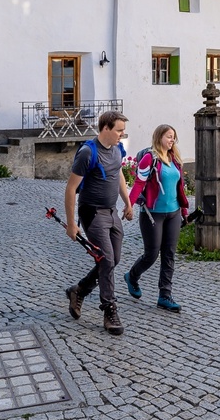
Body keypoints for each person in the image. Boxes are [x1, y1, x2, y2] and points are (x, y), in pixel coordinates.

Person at [64, 110, 134, 335]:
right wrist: (71, 224)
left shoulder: (117, 150)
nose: (122, 135)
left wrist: (128, 202)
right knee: (106, 259)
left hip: (112, 212)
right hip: (92, 213)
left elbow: (119, 174)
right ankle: (109, 310)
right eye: (119, 130)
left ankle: (80, 290)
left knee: (114, 259)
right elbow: (71, 188)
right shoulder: (87, 153)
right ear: (106, 128)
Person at [123, 124, 189, 312]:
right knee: (151, 255)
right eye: (169, 137)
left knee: (169, 255)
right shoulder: (149, 159)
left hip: (173, 213)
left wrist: (184, 211)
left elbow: (180, 188)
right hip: (152, 214)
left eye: (173, 137)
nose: (172, 141)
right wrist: (129, 205)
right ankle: (132, 276)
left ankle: (165, 296)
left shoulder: (174, 159)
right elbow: (138, 184)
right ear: (159, 136)